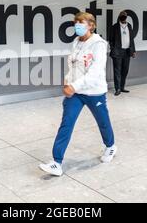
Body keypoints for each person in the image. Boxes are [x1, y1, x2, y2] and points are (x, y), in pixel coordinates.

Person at [39, 12, 117, 177]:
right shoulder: (76, 42)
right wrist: (68, 81)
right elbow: (73, 66)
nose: (77, 25)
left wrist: (73, 86)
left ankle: (110, 146)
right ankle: (56, 163)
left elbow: (95, 71)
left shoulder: (99, 44)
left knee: (103, 122)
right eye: (76, 22)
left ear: (91, 25)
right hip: (76, 93)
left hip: (94, 91)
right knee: (66, 124)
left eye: (81, 22)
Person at [108, 11, 137, 96]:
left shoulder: (129, 26)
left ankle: (122, 87)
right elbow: (111, 39)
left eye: (124, 16)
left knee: (125, 70)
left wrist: (133, 51)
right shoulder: (114, 27)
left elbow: (132, 39)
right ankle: (117, 89)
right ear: (119, 17)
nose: (123, 17)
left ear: (126, 17)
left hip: (127, 51)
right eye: (122, 16)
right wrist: (113, 48)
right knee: (117, 70)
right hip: (117, 51)